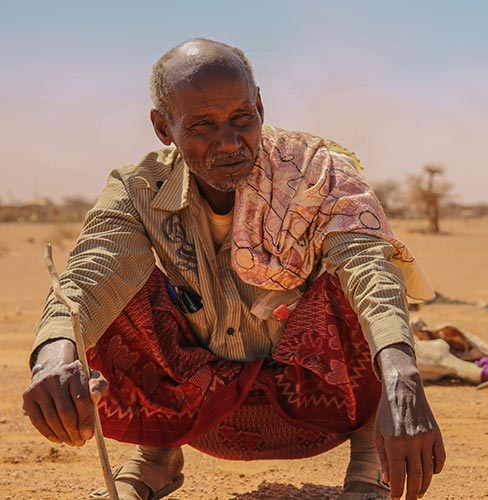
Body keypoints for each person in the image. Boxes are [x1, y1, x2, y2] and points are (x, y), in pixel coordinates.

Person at [21, 38, 445, 500]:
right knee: (109, 296)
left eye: (242, 118)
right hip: (198, 401)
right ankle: (154, 456)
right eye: (202, 124)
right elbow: (91, 272)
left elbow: (370, 270)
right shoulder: (139, 187)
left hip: (316, 393)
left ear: (259, 105)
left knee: (362, 287)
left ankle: (370, 460)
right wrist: (53, 357)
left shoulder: (317, 173)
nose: (229, 141)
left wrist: (403, 376)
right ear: (163, 127)